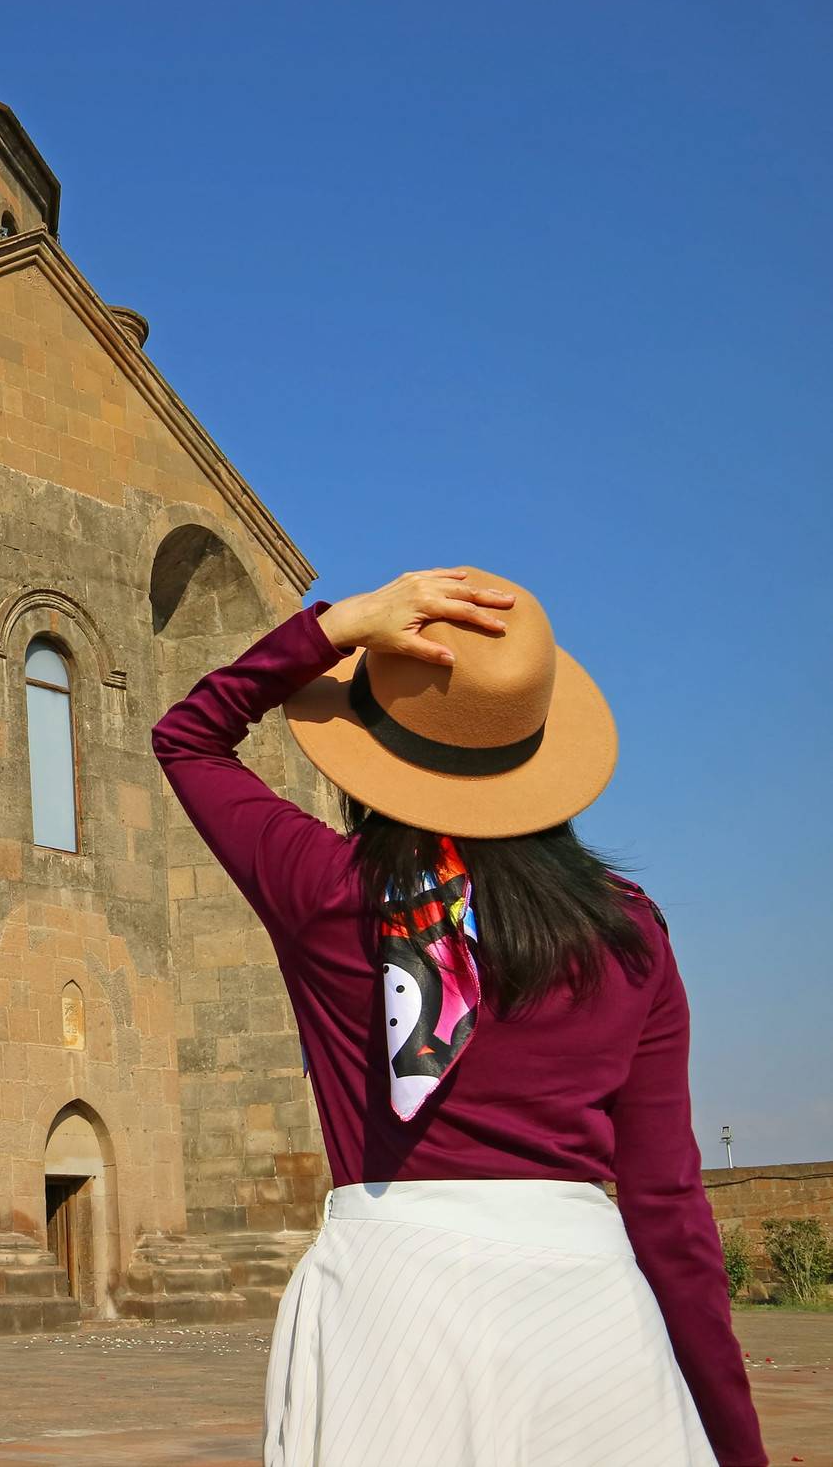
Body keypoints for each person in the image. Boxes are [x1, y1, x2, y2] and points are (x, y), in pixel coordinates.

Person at [153, 567, 763, 1467]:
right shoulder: (629, 931)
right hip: (591, 1321)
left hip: (392, 1312)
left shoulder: (328, 892)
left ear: (371, 751)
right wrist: (734, 1441)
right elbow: (666, 1203)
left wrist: (333, 629)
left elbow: (188, 738)